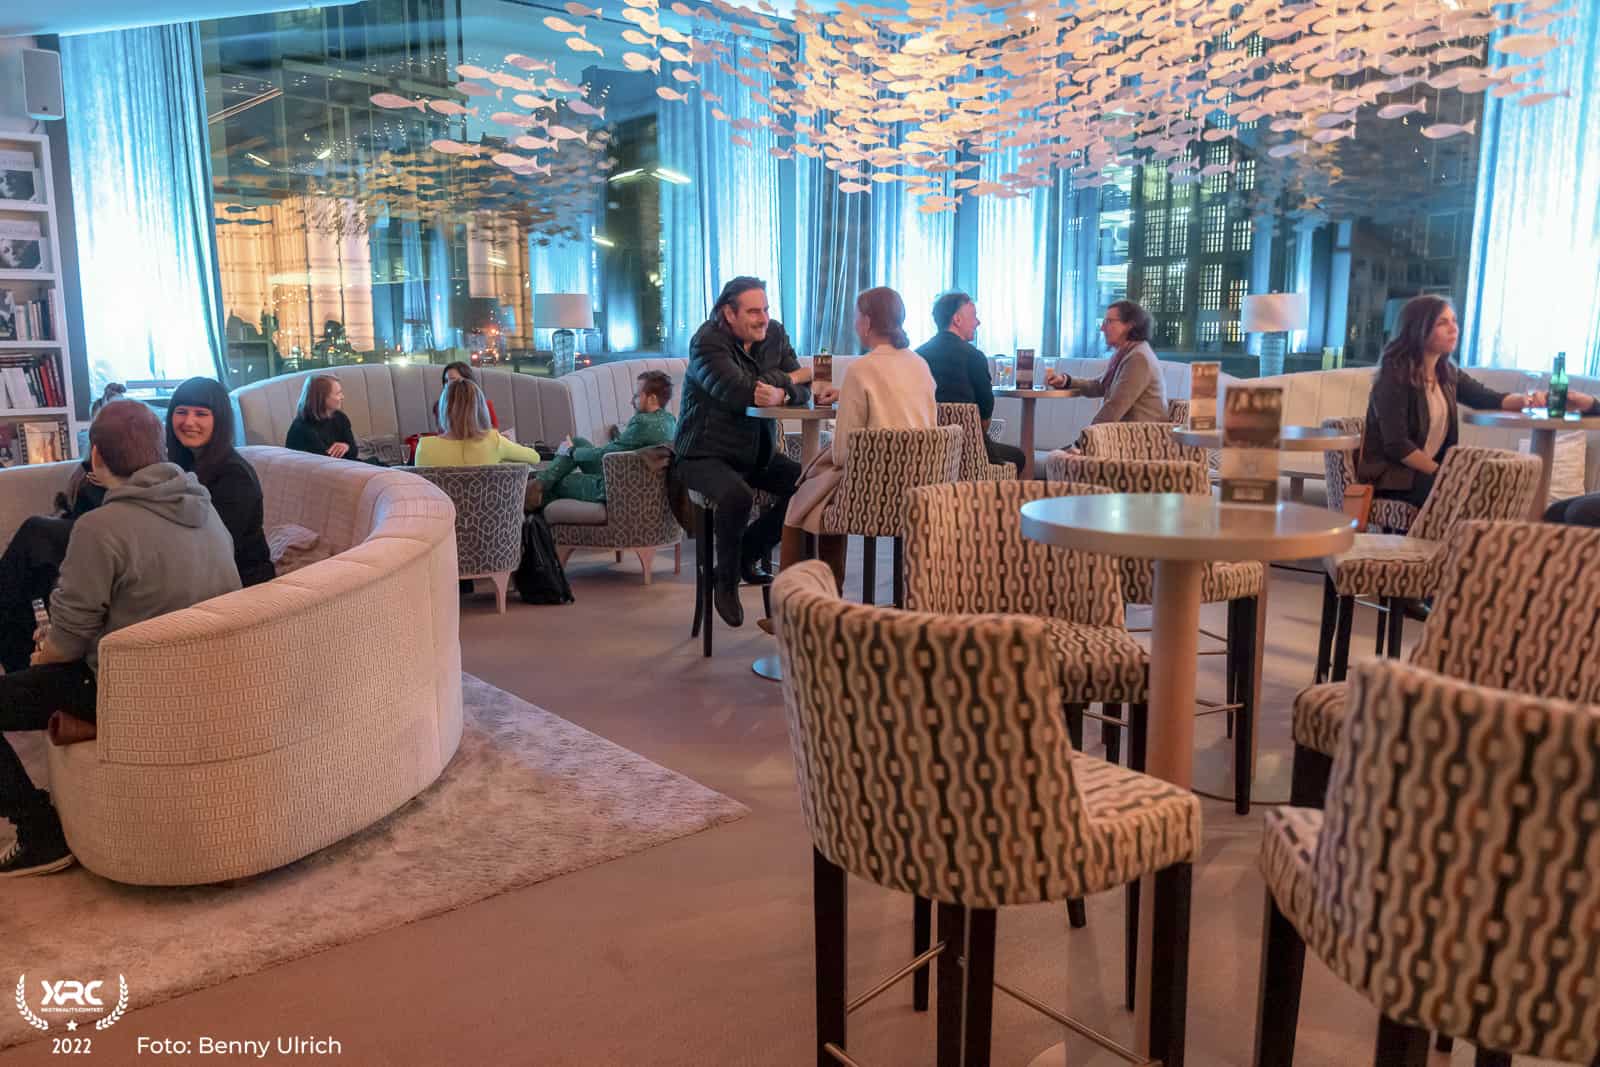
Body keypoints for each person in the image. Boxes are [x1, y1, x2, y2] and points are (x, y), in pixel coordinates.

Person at [0, 400, 241, 876]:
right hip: (206, 677)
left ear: (96, 456)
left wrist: (42, 657)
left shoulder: (99, 527)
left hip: (130, 688)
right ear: (159, 448)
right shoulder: (203, 506)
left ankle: (38, 831)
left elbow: (69, 644)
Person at [673, 276, 809, 628]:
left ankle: (747, 552)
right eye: (753, 312)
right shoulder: (706, 342)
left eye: (765, 309)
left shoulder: (774, 334)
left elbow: (806, 386)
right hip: (702, 454)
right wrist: (787, 380)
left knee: (808, 484)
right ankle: (726, 580)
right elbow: (740, 393)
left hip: (755, 454)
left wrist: (783, 391)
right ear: (728, 313)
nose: (763, 318)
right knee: (738, 496)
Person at [782, 287, 937, 588]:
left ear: (866, 322)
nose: (854, 324)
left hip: (873, 493)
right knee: (821, 491)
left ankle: (811, 597)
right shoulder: (921, 365)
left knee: (806, 500)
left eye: (856, 317)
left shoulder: (860, 369)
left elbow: (843, 454)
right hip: (921, 489)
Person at [1357, 296, 1535, 510]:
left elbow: (1487, 398)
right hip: (1394, 478)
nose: (1454, 329)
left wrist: (1528, 400)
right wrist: (1445, 473)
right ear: (1418, 330)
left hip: (1427, 473)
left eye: (1454, 321)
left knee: (1489, 490)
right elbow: (1398, 446)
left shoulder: (1447, 373)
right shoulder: (1394, 376)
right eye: (1443, 323)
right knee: (1465, 494)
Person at [165, 377, 275, 587]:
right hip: (199, 574)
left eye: (201, 414)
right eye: (181, 412)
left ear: (220, 420)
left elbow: (213, 546)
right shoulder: (181, 463)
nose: (188, 422)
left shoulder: (235, 475)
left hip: (241, 584)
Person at [0, 456, 105, 673]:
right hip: (91, 521)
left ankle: (27, 669)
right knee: (35, 575)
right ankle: (28, 666)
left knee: (36, 535)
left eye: (197, 417)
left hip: (110, 527)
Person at [916, 291, 1027, 474]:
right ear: (957, 320)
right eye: (974, 316)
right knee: (1019, 457)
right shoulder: (974, 356)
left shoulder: (918, 356)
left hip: (930, 451)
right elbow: (985, 414)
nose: (978, 322)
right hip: (969, 452)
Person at [531, 370, 676, 507]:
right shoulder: (670, 421)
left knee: (560, 480)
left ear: (652, 399)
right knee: (578, 441)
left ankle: (534, 491)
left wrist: (571, 452)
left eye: (637, 396)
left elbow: (604, 454)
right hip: (630, 476)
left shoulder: (643, 422)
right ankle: (539, 484)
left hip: (615, 487)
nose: (632, 402)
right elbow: (630, 447)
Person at [1046, 300, 1169, 424]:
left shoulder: (1138, 358)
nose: (1102, 328)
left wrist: (1087, 434)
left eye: (1108, 322)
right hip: (1126, 432)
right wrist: (1065, 381)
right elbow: (1100, 386)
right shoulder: (1127, 352)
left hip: (1139, 435)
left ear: (1129, 325)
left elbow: (1114, 407)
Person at [414, 378, 543, 467]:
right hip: (488, 501)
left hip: (439, 501)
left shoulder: (425, 447)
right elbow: (535, 457)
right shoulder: (494, 440)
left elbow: (420, 488)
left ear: (443, 409)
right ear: (481, 409)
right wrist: (504, 450)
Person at [285, 374, 360, 461]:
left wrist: (346, 447)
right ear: (322, 398)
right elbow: (326, 462)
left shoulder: (340, 417)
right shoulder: (302, 429)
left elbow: (354, 452)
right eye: (338, 393)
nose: (342, 397)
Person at [441, 362, 499, 428]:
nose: (448, 385)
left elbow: (493, 430)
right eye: (446, 381)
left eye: (453, 379)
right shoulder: (441, 407)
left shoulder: (486, 405)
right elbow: (443, 432)